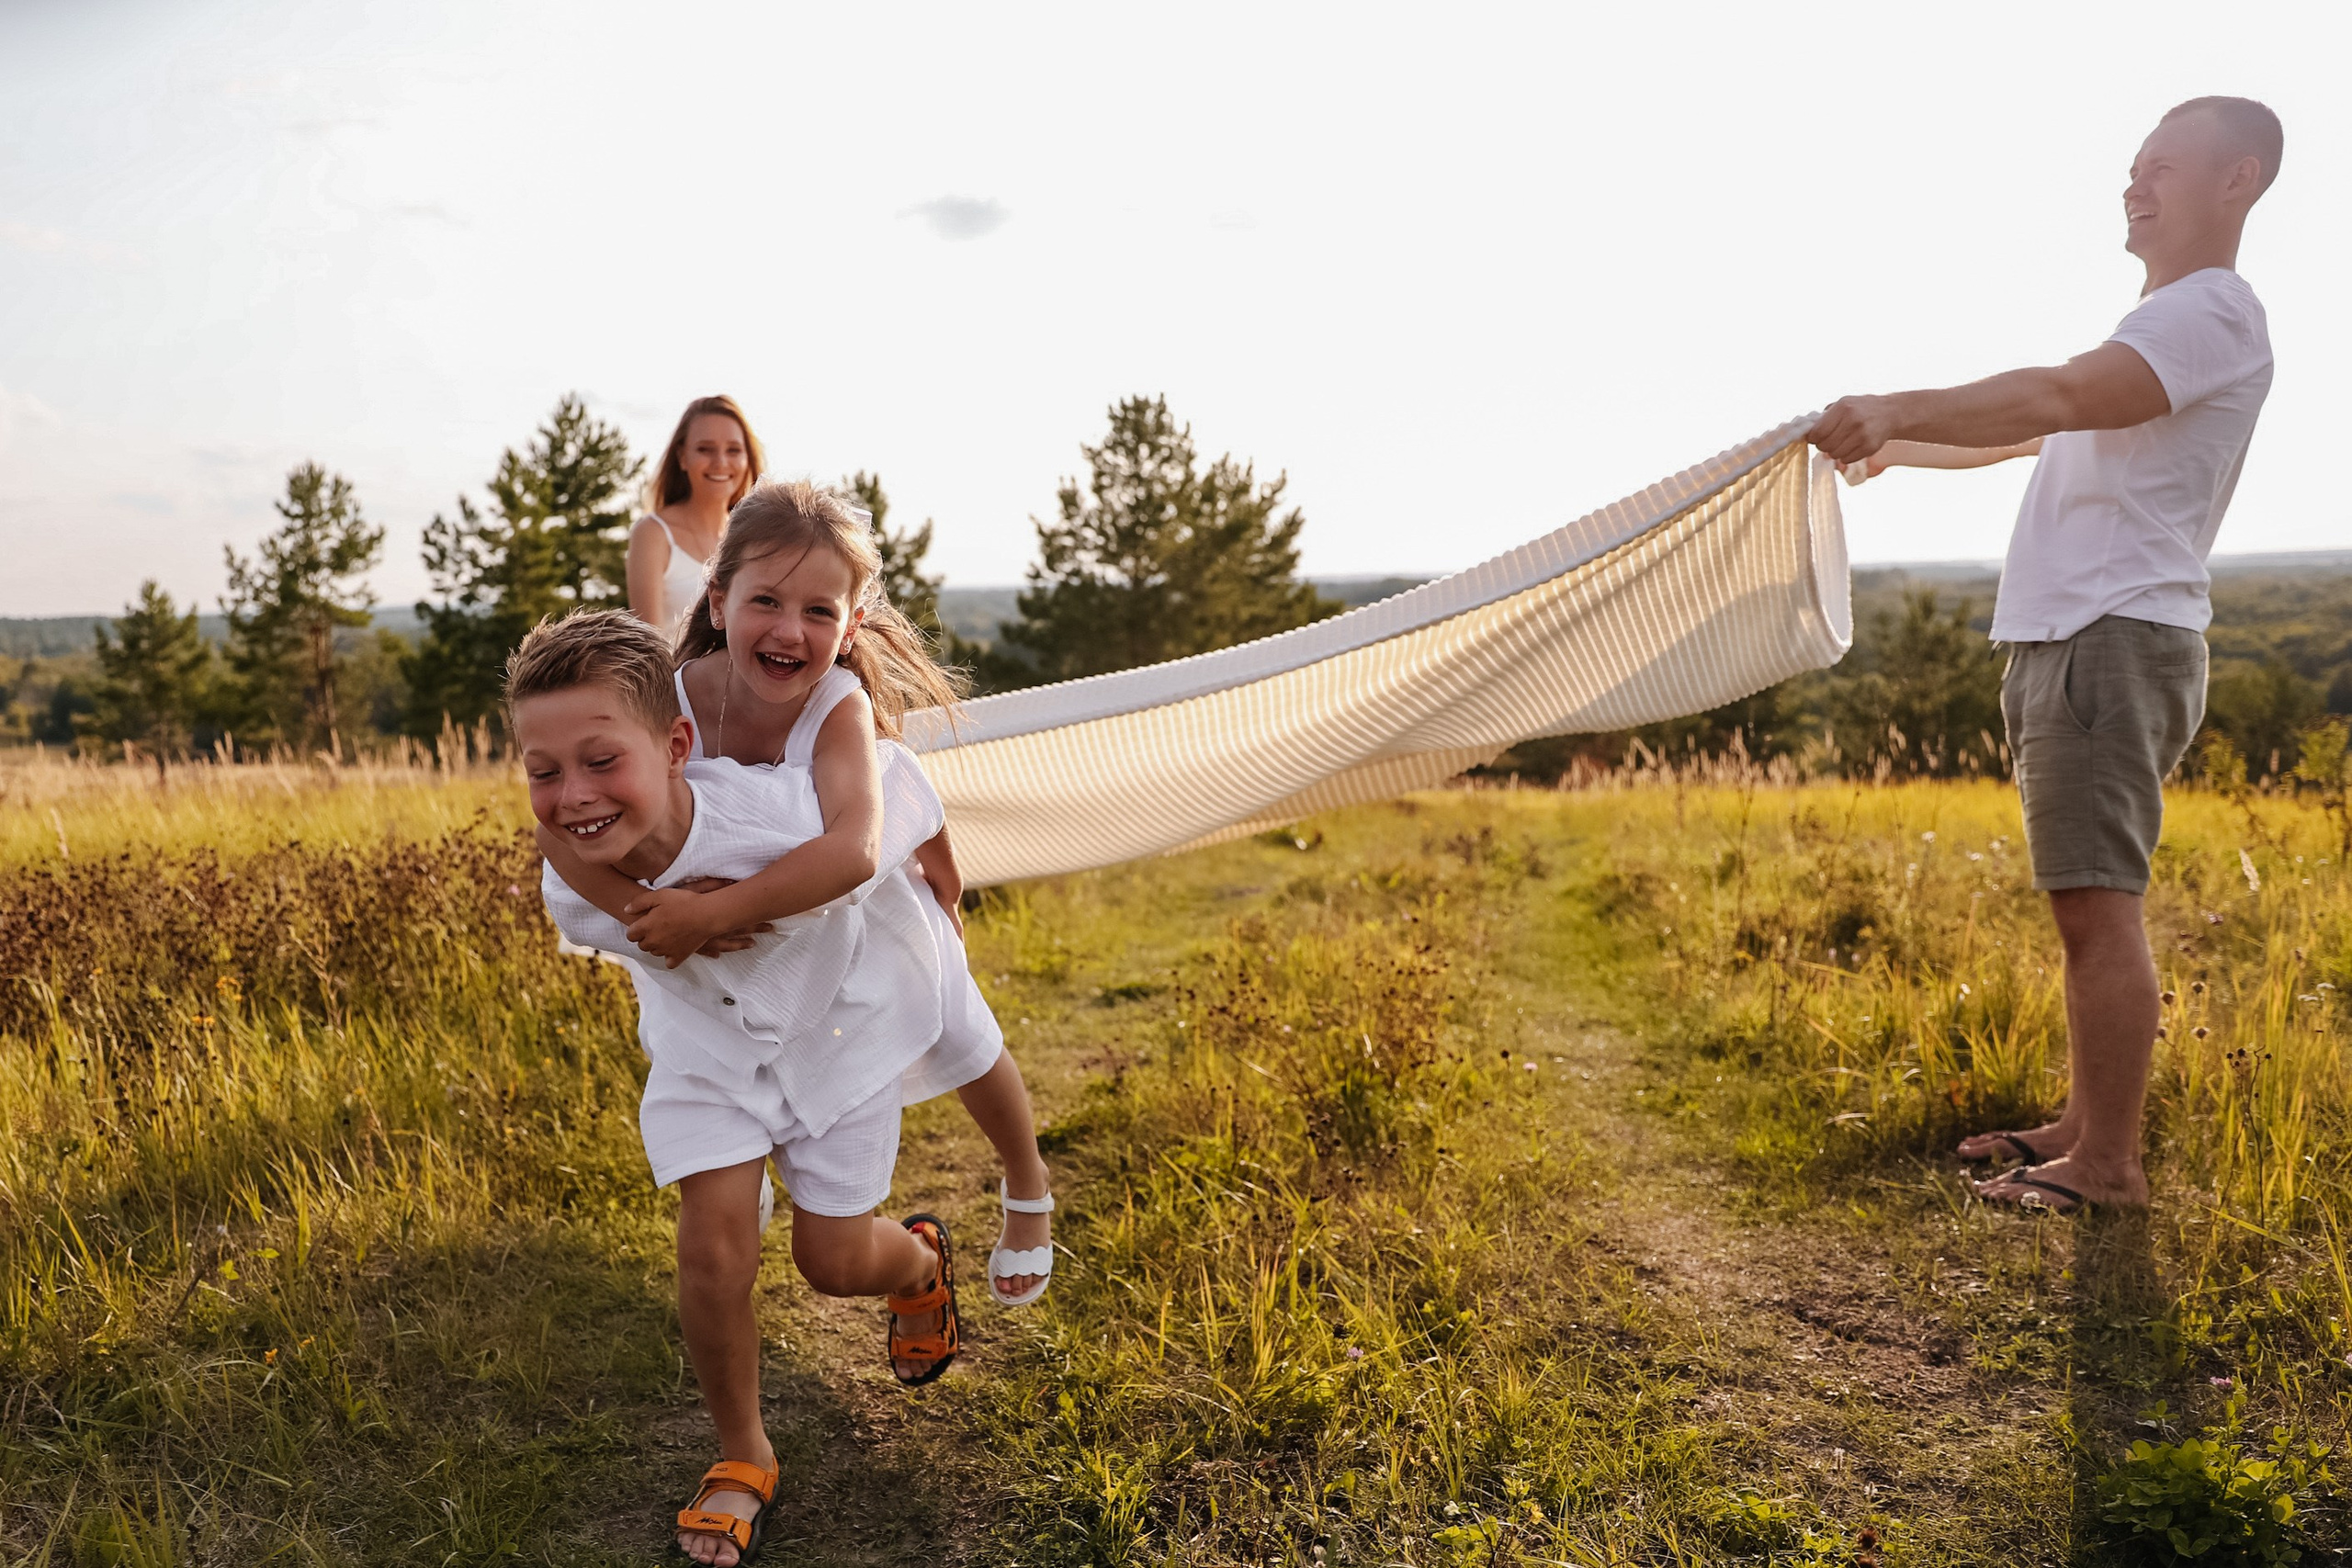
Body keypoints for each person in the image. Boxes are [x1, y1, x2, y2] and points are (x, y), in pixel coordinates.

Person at [1809, 96, 2282, 1215]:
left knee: (2096, 908)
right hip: (2080, 639)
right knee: (2084, 902)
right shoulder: (2164, 321)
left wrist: (1893, 405)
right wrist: (1886, 445)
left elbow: (2060, 394)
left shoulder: (2212, 312)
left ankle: (2107, 1167)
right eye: (2130, 168)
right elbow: (2036, 428)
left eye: (2160, 166)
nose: (2134, 186)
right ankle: (2080, 1127)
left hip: (2107, 638)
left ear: (2239, 181)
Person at [629, 395, 765, 640]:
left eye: (733, 450)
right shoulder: (652, 534)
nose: (720, 462)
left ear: (748, 458)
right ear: (682, 457)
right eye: (705, 449)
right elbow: (647, 648)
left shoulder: (755, 537)